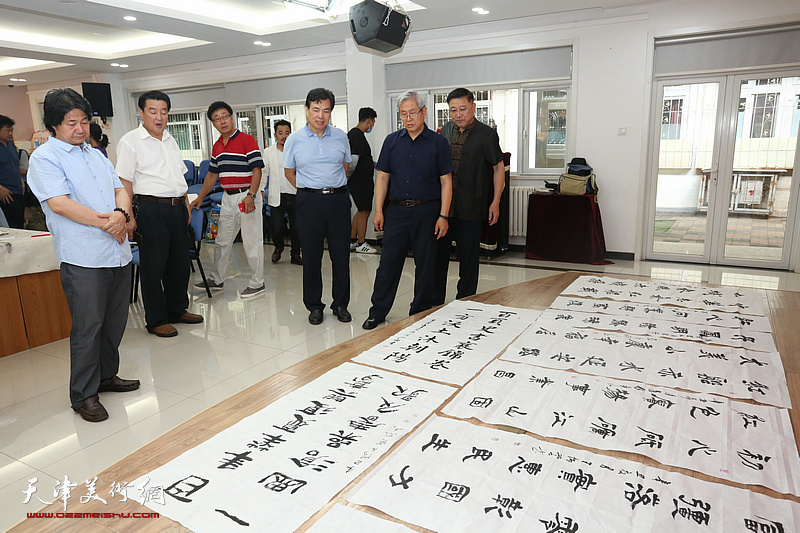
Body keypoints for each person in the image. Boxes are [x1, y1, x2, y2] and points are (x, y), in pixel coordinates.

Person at [28, 87, 139, 423]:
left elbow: (120, 187)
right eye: (71, 123)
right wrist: (108, 222)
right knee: (88, 327)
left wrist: (121, 213)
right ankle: (84, 394)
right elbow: (59, 203)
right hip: (83, 257)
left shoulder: (96, 154)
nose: (80, 128)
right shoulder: (45, 158)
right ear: (53, 126)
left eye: (84, 121)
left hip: (117, 251)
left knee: (115, 322)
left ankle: (106, 376)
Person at [362, 91, 453, 330]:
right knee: (388, 264)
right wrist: (378, 211)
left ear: (424, 112)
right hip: (397, 212)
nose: (409, 118)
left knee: (426, 265)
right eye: (404, 114)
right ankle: (378, 311)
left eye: (413, 112)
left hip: (427, 212)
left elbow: (446, 182)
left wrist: (443, 215)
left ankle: (419, 312)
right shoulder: (391, 141)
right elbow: (382, 178)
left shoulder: (438, 142)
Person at [116, 90, 203, 337]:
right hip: (150, 208)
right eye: (152, 111)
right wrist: (128, 215)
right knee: (154, 267)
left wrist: (185, 203)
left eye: (163, 112)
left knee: (179, 264)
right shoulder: (130, 141)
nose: (159, 117)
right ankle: (156, 319)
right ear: (141, 113)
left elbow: (178, 177)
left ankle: (178, 309)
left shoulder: (170, 140)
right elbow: (124, 181)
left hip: (177, 207)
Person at [283, 87, 352, 325]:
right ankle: (314, 306)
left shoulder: (341, 136)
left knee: (340, 255)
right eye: (316, 110)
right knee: (311, 256)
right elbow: (289, 171)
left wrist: (330, 186)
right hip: (308, 202)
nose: (320, 115)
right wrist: (308, 188)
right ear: (307, 110)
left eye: (326, 110)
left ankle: (341, 304)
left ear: (331, 112)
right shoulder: (294, 139)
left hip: (338, 200)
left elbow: (344, 166)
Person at [433, 87, 504, 306]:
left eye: (463, 109)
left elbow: (498, 168)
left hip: (471, 206)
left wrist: (495, 202)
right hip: (444, 209)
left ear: (473, 106)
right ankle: (435, 299)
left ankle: (465, 301)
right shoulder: (445, 130)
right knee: (438, 258)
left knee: (469, 259)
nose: (458, 114)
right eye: (453, 110)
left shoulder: (487, 134)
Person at [189, 101, 265, 298]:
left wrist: (251, 195)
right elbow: (212, 175)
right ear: (213, 123)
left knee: (251, 242)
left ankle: (258, 283)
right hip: (228, 198)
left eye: (225, 116)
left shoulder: (247, 140)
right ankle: (217, 278)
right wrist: (200, 197)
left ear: (232, 117)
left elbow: (257, 170)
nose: (222, 121)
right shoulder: (217, 147)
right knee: (221, 241)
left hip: (246, 196)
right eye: (217, 119)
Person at [264, 119, 302, 265]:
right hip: (277, 194)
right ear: (275, 135)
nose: (284, 136)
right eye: (280, 133)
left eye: (286, 133)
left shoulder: (296, 150)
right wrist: (261, 189)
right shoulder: (268, 152)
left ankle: (295, 254)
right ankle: (278, 247)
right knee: (277, 227)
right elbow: (263, 172)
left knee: (296, 227)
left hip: (295, 192)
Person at [347, 107, 378, 254]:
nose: (372, 125)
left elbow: (364, 159)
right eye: (373, 122)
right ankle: (361, 242)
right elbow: (353, 161)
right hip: (360, 182)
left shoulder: (354, 134)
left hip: (360, 180)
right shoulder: (357, 135)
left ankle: (352, 241)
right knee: (365, 211)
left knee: (360, 211)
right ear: (369, 121)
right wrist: (347, 177)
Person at [0, 115, 25, 228]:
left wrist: (21, 182)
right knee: (11, 227)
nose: (10, 133)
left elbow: (15, 166)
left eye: (12, 130)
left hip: (18, 191)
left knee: (20, 223)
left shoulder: (11, 144)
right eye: (7, 130)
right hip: (5, 193)